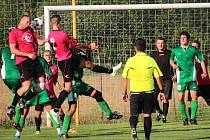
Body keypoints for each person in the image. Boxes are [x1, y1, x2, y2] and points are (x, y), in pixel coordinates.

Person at [48, 15, 122, 112]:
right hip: (66, 62)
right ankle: (56, 107)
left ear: (51, 23)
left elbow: (60, 46)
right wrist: (88, 46)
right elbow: (76, 45)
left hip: (69, 59)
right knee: (68, 89)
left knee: (88, 64)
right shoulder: (62, 34)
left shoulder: (50, 35)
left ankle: (111, 71)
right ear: (59, 23)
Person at [57, 49, 123, 138]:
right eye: (84, 57)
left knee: (97, 94)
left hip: (79, 84)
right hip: (73, 85)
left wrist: (87, 50)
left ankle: (109, 114)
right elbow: (90, 66)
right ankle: (63, 131)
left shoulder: (73, 55)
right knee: (72, 108)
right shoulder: (75, 60)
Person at [122, 38, 165, 140]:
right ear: (145, 48)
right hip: (148, 92)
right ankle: (147, 138)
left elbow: (125, 78)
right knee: (147, 115)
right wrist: (162, 91)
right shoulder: (150, 60)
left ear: (135, 48)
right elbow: (157, 77)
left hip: (135, 92)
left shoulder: (130, 61)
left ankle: (133, 128)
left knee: (134, 115)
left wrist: (124, 93)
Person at [9, 14, 47, 107]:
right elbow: (13, 50)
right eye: (27, 22)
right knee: (26, 86)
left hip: (35, 60)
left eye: (30, 22)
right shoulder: (14, 33)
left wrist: (48, 39)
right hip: (24, 61)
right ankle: (12, 106)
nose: (29, 24)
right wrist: (28, 54)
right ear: (21, 21)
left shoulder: (30, 30)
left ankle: (24, 100)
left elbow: (39, 42)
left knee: (42, 86)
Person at [170, 31, 207, 125]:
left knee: (194, 98)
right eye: (181, 38)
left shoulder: (193, 49)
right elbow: (171, 60)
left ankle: (193, 118)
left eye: (184, 38)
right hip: (181, 78)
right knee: (180, 98)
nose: (182, 39)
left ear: (188, 39)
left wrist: (205, 72)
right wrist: (174, 65)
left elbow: (202, 60)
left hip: (192, 78)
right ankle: (184, 118)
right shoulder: (175, 50)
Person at [34, 50, 64, 134]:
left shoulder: (54, 68)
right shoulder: (39, 67)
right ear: (43, 57)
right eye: (46, 55)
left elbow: (54, 80)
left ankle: (66, 128)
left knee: (60, 111)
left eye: (50, 55)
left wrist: (58, 86)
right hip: (41, 94)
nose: (48, 57)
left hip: (51, 94)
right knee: (38, 113)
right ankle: (37, 129)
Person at [151, 37, 173, 123]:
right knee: (152, 97)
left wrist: (175, 75)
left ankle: (164, 116)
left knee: (165, 97)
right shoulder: (153, 55)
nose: (161, 45)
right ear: (156, 44)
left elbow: (175, 64)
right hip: (156, 79)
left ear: (165, 44)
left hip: (167, 79)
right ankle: (159, 111)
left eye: (162, 43)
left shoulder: (170, 53)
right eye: (159, 43)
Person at [186, 39, 210, 120]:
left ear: (199, 48)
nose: (194, 48)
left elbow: (201, 64)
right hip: (193, 84)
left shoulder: (204, 57)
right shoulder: (188, 58)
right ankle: (192, 119)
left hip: (205, 84)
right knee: (189, 102)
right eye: (192, 47)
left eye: (196, 47)